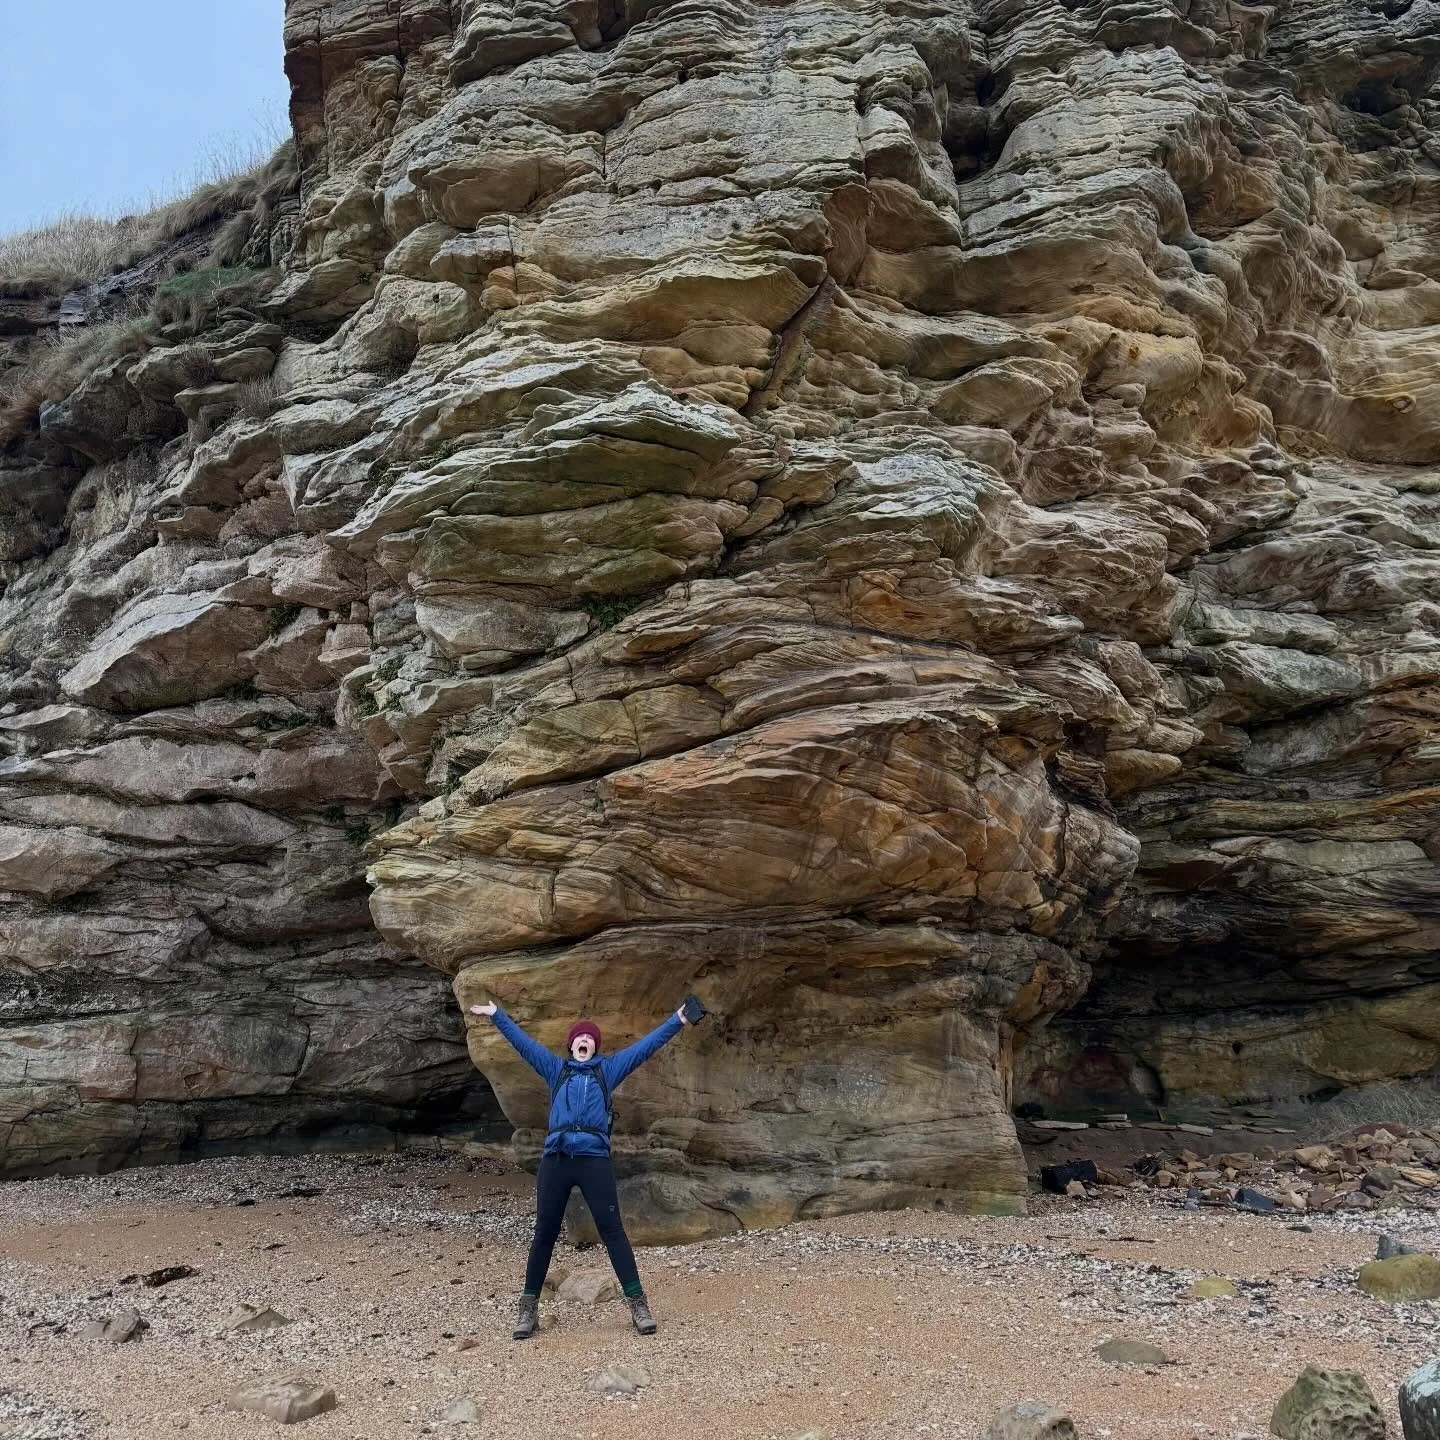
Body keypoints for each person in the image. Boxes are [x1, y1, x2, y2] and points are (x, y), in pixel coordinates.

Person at [467, 999, 690, 1339]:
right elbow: (524, 1045)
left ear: (594, 1047)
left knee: (612, 1230)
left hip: (593, 1161)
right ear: (571, 1046)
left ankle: (638, 1304)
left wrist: (678, 1019)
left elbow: (647, 1047)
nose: (584, 1041)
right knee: (544, 1232)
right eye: (579, 1039)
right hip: (556, 1159)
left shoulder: (607, 1071)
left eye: (590, 1039)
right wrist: (497, 1015)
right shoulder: (557, 1070)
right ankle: (528, 1309)